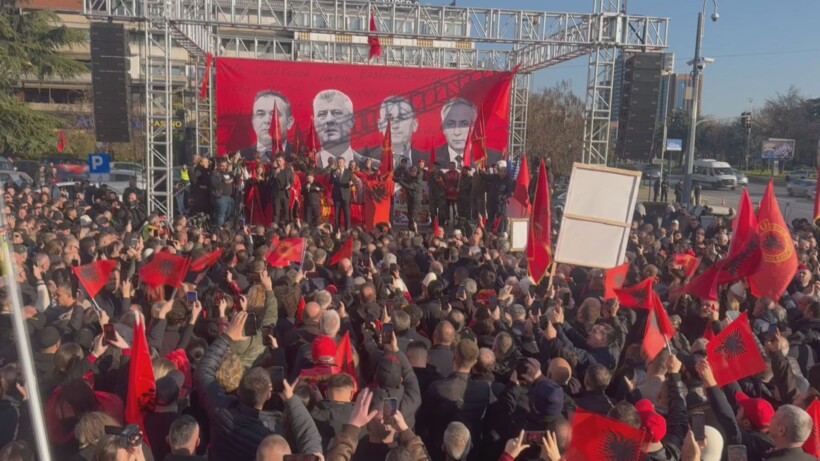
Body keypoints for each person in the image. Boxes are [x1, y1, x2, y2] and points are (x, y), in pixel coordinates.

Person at [313, 89, 373, 168]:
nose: (329, 120)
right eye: (322, 114)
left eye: (337, 113)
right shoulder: (305, 167)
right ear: (314, 123)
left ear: (351, 120)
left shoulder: (375, 166)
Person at [435, 98, 502, 168]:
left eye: (464, 124)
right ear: (443, 127)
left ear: (474, 126)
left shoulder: (491, 157)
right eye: (451, 124)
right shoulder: (434, 156)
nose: (457, 132)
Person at [365, 96, 426, 167]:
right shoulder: (369, 157)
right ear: (380, 125)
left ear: (414, 125)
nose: (395, 126)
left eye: (402, 118)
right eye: (389, 118)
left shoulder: (425, 158)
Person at [241, 90, 295, 161]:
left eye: (275, 114)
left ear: (289, 122)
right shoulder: (241, 156)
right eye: (261, 114)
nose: (267, 121)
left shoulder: (300, 154)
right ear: (252, 121)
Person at [485, 161, 514, 233]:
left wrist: (502, 197)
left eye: (503, 171)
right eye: (500, 171)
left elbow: (509, 193)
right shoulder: (494, 177)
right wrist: (479, 170)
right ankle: (490, 232)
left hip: (500, 203)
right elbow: (486, 177)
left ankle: (501, 232)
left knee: (500, 219)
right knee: (490, 217)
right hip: (492, 202)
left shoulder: (508, 181)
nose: (501, 173)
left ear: (506, 172)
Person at [210, 157, 235, 228]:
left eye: (225, 166)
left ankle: (227, 230)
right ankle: (219, 230)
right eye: (222, 166)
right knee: (221, 215)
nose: (224, 167)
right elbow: (214, 184)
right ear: (217, 165)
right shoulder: (215, 173)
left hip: (229, 197)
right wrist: (224, 181)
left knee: (229, 215)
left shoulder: (227, 173)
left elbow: (233, 178)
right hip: (221, 197)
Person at [270, 155, 294, 226]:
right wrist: (275, 174)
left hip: (285, 193)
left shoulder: (288, 171)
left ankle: (286, 227)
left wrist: (290, 185)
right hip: (277, 194)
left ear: (283, 161)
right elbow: (270, 182)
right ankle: (274, 227)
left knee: (286, 212)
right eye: (277, 161)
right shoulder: (273, 171)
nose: (278, 162)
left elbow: (292, 182)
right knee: (276, 212)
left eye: (279, 161)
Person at [398, 166, 424, 232]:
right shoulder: (412, 177)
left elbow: (409, 186)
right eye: (410, 172)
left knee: (413, 217)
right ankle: (410, 229)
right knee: (410, 215)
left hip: (416, 200)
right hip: (411, 198)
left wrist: (400, 181)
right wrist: (397, 178)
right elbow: (406, 180)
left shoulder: (418, 180)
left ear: (415, 172)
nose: (411, 173)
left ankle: (414, 231)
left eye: (412, 172)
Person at [331, 157, 353, 231]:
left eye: (340, 162)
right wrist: (334, 175)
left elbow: (352, 182)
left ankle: (347, 229)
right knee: (337, 213)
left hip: (346, 195)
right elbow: (330, 182)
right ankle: (337, 229)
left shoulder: (348, 172)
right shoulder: (333, 171)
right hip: (337, 194)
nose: (339, 164)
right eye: (338, 162)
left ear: (344, 163)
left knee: (347, 213)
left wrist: (351, 183)